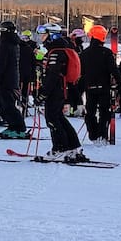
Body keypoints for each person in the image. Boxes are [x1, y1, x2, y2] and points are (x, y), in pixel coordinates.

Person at [39, 31, 86, 162]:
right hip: (60, 89)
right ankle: (73, 146)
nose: (42, 38)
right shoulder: (60, 50)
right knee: (59, 118)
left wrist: (43, 93)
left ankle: (61, 148)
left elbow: (53, 75)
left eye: (44, 35)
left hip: (56, 90)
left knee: (52, 119)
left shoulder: (56, 52)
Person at [77, 25, 121, 144]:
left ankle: (93, 135)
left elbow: (81, 73)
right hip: (104, 87)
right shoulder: (106, 53)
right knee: (104, 112)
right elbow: (113, 70)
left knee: (90, 112)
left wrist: (78, 90)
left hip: (89, 87)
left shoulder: (84, 53)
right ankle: (102, 135)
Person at [0, 21, 29, 139]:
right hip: (12, 77)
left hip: (6, 78)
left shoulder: (6, 44)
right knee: (6, 104)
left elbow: (1, 64)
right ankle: (13, 126)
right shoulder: (14, 42)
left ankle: (19, 127)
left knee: (7, 105)